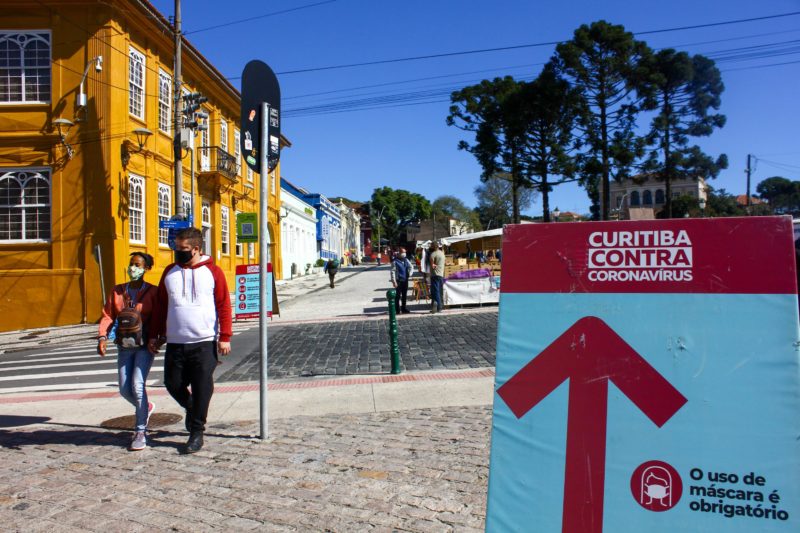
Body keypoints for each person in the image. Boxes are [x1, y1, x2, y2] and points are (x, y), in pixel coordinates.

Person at [147, 227, 232, 454]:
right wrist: (155, 336)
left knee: (202, 386)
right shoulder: (169, 272)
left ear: (196, 248)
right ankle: (192, 408)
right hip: (175, 341)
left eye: (183, 249)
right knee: (172, 383)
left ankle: (197, 432)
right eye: (176, 248)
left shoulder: (213, 272)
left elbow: (223, 305)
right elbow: (161, 307)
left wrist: (225, 336)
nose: (178, 253)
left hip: (204, 341)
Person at [98, 252, 158, 451]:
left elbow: (159, 317)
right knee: (124, 388)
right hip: (124, 346)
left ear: (146, 269)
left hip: (144, 346)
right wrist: (102, 337)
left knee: (138, 385)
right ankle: (146, 408)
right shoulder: (117, 291)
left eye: (138, 265)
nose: (133, 268)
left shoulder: (152, 292)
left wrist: (156, 338)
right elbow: (108, 315)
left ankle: (140, 431)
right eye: (131, 264)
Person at [390, 247, 414, 314]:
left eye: (405, 252)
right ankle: (397, 310)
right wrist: (394, 281)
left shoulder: (406, 260)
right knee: (397, 296)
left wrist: (410, 273)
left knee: (404, 295)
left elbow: (411, 266)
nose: (404, 254)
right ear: (399, 253)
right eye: (403, 252)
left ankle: (404, 308)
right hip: (399, 281)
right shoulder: (395, 261)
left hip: (405, 280)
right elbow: (392, 272)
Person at [429, 241, 446, 313]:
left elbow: (432, 266)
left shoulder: (432, 254)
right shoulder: (442, 253)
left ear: (433, 246)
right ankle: (434, 308)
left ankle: (439, 307)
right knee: (439, 291)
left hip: (435, 274)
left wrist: (433, 266)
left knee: (435, 292)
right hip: (441, 274)